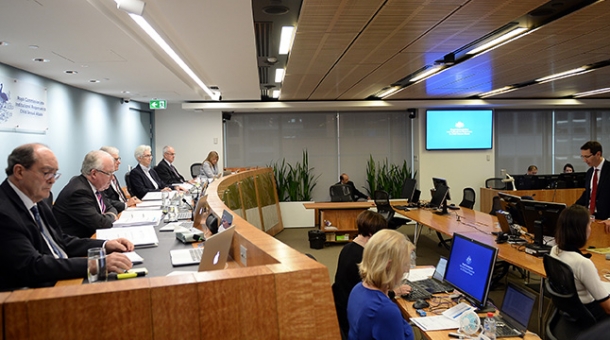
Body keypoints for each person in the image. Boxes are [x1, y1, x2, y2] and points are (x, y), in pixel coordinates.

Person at [0, 143, 133, 291]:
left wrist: (104, 244)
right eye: (46, 173)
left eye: (55, 174)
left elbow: (60, 240)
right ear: (19, 172)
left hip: (62, 275)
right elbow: (31, 265)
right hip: (34, 294)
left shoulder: (40, 198)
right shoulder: (4, 211)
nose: (52, 180)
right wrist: (94, 264)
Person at [332, 211, 411, 337]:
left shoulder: (348, 248)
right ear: (371, 234)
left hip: (344, 312)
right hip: (346, 318)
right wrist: (394, 292)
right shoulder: (362, 258)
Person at [347, 229, 415, 340]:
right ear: (389, 265)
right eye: (404, 264)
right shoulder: (385, 311)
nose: (406, 270)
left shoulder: (358, 289)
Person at [550, 204, 610, 321]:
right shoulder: (582, 263)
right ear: (580, 230)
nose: (590, 229)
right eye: (589, 225)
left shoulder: (555, 250)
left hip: (572, 312)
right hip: (591, 314)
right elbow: (608, 308)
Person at [53, 150, 119, 238]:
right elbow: (102, 224)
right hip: (78, 245)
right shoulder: (79, 192)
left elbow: (110, 207)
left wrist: (108, 215)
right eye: (109, 173)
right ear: (94, 173)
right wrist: (112, 216)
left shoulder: (96, 185)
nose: (112, 178)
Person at [575, 141, 610, 231]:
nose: (584, 160)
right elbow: (588, 194)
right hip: (591, 220)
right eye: (582, 157)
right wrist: (571, 209)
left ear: (598, 154)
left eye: (587, 156)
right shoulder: (590, 172)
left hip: (606, 221)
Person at [100, 146, 140, 213]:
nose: (119, 162)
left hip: (126, 209)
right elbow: (105, 201)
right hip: (116, 213)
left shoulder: (113, 176)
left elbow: (120, 197)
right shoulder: (101, 178)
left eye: (119, 158)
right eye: (115, 159)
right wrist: (125, 204)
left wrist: (129, 201)